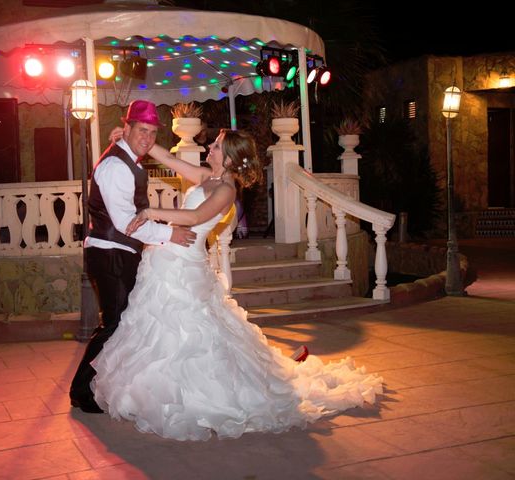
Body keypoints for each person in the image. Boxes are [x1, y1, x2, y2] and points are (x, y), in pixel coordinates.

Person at [89, 128, 383, 441]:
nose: (209, 147)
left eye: (215, 146)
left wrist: (150, 212)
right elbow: (168, 159)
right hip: (166, 258)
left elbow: (194, 216)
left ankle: (194, 394)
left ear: (228, 157)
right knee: (157, 329)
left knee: (187, 333)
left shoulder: (226, 189)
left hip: (184, 265)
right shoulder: (207, 177)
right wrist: (134, 139)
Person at [69, 100, 196, 414]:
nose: (148, 138)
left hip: (119, 252)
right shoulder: (115, 166)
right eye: (142, 130)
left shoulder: (127, 159)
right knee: (114, 324)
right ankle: (80, 391)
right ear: (126, 127)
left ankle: (106, 386)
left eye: (153, 132)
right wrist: (170, 234)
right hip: (109, 252)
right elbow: (127, 221)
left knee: (122, 324)